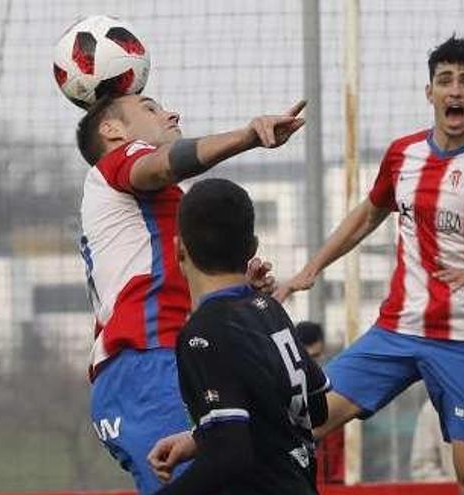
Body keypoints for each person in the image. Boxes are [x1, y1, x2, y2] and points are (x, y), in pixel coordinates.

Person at [271, 36, 464, 495]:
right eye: (445, 81)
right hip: (396, 330)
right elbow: (368, 214)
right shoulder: (403, 155)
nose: (455, 91)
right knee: (303, 421)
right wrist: (312, 268)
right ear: (429, 91)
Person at [77, 92, 305, 493]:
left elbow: (177, 286)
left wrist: (237, 287)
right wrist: (249, 135)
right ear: (112, 131)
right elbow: (163, 163)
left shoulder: (151, 206)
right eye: (150, 108)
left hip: (162, 362)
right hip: (147, 366)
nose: (170, 112)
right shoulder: (116, 165)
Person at [149, 177, 329, 494]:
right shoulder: (269, 310)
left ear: (179, 249)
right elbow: (317, 408)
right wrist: (202, 435)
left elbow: (229, 456)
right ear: (252, 248)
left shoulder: (201, 334)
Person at [294, 321, 345, 485]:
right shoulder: (283, 393)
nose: (311, 365)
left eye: (315, 357)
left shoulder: (336, 391)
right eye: (306, 357)